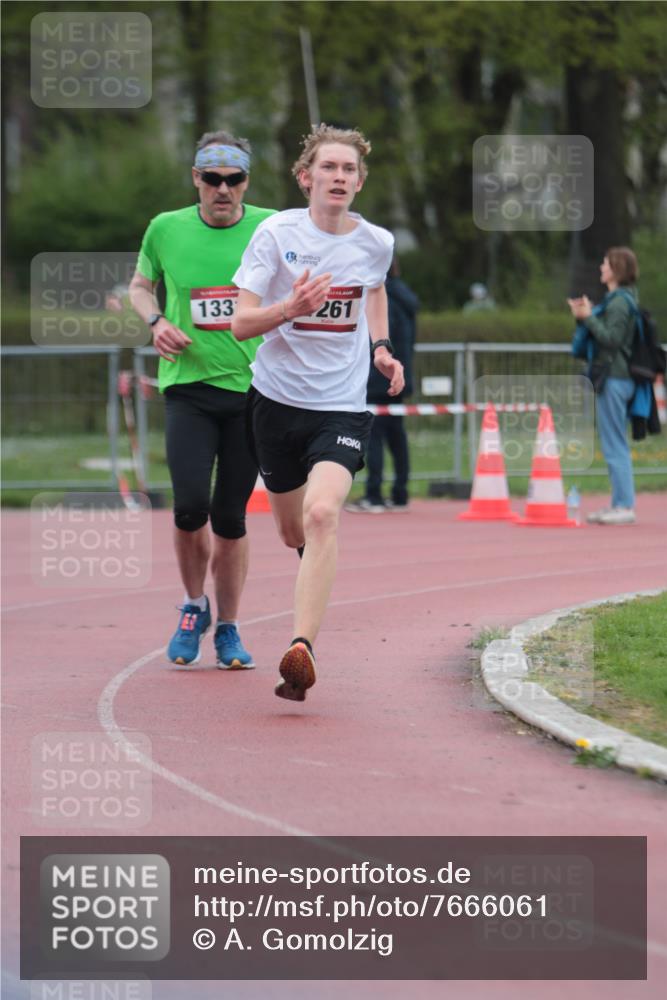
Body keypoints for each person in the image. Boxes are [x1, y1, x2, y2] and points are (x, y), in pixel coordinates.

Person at [231, 124, 404, 702]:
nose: (339, 177)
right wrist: (291, 307)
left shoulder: (375, 241)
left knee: (323, 514)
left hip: (341, 406)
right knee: (290, 530)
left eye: (349, 170)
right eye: (328, 168)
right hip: (276, 403)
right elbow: (239, 323)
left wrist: (380, 348)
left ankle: (300, 649)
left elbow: (374, 289)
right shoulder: (275, 233)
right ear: (306, 177)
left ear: (359, 181)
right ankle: (312, 570)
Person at [129, 130, 274, 667]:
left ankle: (230, 628)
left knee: (231, 519)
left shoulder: (271, 225)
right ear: (196, 178)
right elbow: (140, 286)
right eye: (212, 179)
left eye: (233, 180)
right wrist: (156, 319)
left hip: (253, 391)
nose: (223, 189)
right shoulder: (165, 228)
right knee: (190, 507)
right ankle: (194, 606)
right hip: (188, 388)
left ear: (245, 182)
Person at [567, 246, 639, 525]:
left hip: (616, 377)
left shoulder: (620, 303)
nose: (601, 268)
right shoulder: (617, 300)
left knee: (614, 443)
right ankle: (619, 503)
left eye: (606, 264)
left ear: (617, 270)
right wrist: (585, 316)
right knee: (613, 442)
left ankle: (623, 505)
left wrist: (589, 318)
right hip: (615, 377)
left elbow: (612, 339)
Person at [345, 257, 419, 512]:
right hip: (399, 374)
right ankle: (400, 493)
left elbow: (380, 338)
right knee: (396, 435)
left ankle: (374, 494)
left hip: (378, 377)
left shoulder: (383, 301)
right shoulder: (405, 298)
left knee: (374, 435)